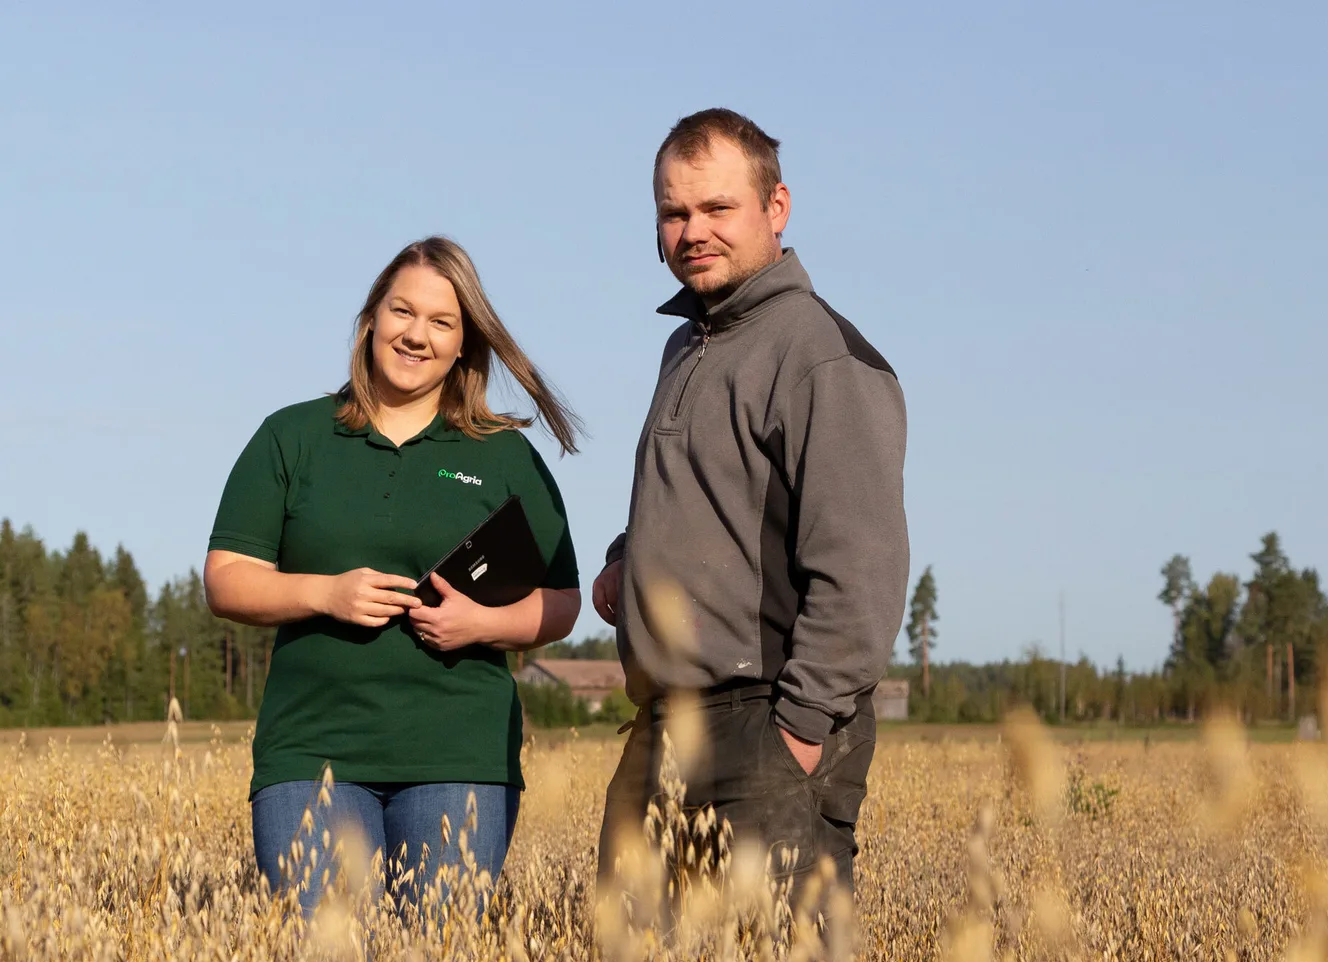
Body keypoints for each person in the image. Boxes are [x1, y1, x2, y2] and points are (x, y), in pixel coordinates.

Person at [205, 236, 582, 916]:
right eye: (402, 311)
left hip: (459, 758)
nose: (416, 335)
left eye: (442, 322)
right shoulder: (292, 437)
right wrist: (325, 592)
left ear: (465, 344)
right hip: (311, 756)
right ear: (370, 320)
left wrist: (484, 623)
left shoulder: (502, 457)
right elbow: (226, 578)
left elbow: (561, 602)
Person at [594, 109, 909, 899]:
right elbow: (713, 500)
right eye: (674, 212)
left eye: (716, 208)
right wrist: (627, 564)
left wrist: (796, 737)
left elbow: (861, 571)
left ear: (777, 208)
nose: (692, 230)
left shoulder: (821, 355)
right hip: (666, 724)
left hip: (762, 718)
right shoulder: (691, 344)